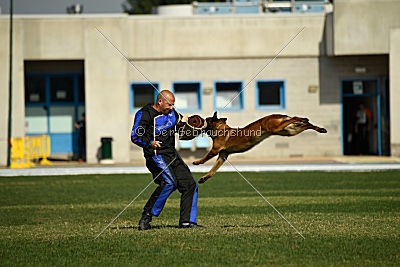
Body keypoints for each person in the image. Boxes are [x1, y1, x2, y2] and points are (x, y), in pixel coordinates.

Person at [130, 90, 202, 230]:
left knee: (190, 184)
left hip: (171, 154)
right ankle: (147, 216)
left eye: (173, 105)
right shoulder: (145, 114)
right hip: (155, 154)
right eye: (169, 104)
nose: (171, 107)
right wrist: (149, 142)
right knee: (169, 182)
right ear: (160, 101)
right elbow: (135, 135)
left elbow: (181, 124)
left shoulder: (172, 113)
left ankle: (187, 222)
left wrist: (195, 125)